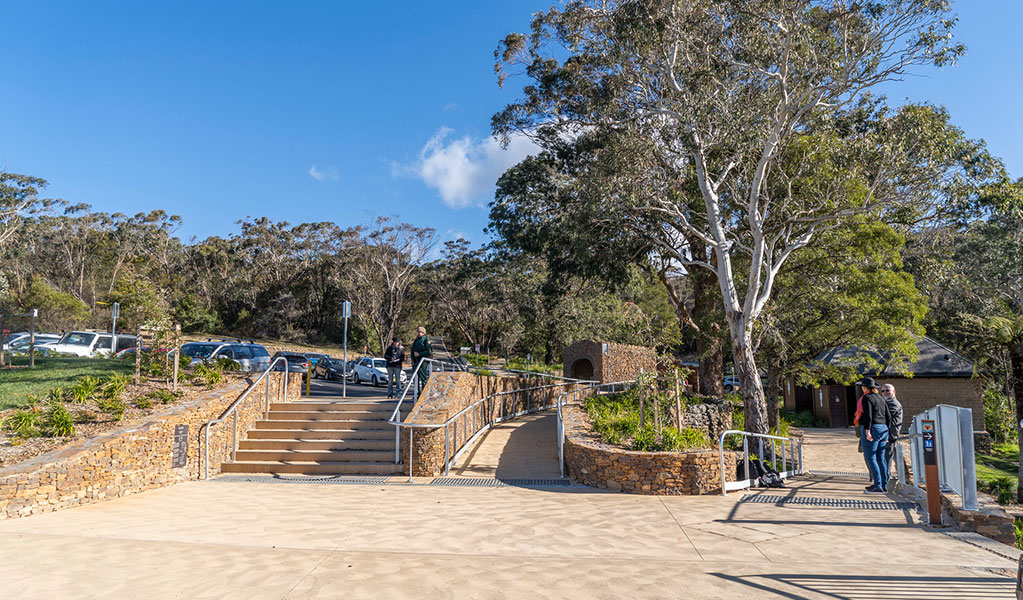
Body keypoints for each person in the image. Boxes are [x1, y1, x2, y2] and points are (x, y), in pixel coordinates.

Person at [856, 377, 892, 493]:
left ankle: (877, 484)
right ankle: (884, 484)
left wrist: (867, 430)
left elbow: (868, 416)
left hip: (873, 428)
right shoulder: (881, 398)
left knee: (870, 457)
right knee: (881, 457)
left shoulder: (866, 398)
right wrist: (888, 432)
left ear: (864, 387)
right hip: (883, 429)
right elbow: (888, 416)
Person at [881, 383, 904, 488]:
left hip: (889, 436)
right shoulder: (886, 403)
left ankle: (884, 482)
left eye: (888, 390)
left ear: (894, 392)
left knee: (886, 459)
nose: (885, 392)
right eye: (883, 391)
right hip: (885, 435)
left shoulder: (893, 404)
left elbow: (883, 417)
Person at [410, 326, 433, 393]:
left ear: (423, 333)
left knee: (423, 378)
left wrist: (419, 354)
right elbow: (412, 350)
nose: (419, 333)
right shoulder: (416, 340)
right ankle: (417, 392)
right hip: (415, 361)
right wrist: (412, 358)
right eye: (418, 332)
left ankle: (423, 392)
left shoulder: (426, 340)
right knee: (415, 378)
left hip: (423, 361)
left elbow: (428, 351)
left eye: (421, 332)